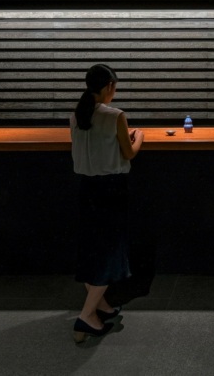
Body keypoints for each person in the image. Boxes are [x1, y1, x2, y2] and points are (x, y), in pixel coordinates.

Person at [69, 63, 144, 343]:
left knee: (92, 249)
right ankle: (86, 316)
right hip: (111, 190)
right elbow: (128, 153)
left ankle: (100, 305)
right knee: (109, 251)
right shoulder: (116, 116)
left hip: (86, 189)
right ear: (109, 87)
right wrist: (141, 138)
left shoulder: (76, 116)